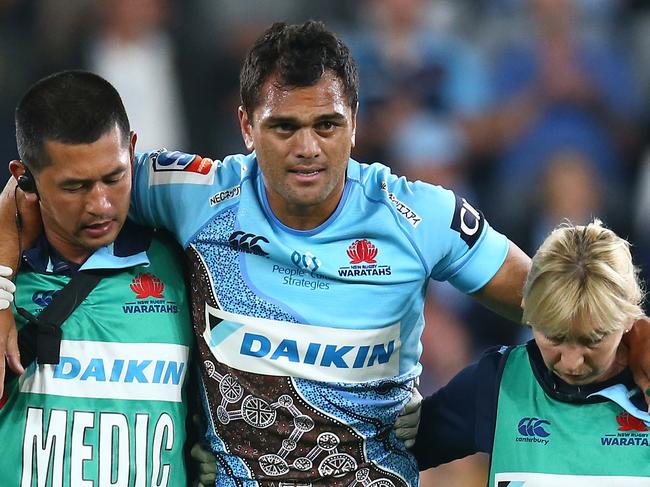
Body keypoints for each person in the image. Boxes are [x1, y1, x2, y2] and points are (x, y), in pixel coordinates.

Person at [0, 21, 649, 486]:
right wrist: (3, 295)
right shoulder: (187, 190)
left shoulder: (417, 214)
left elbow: (555, 296)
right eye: (284, 126)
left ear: (355, 124)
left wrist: (632, 336)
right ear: (247, 125)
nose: (307, 147)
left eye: (326, 124)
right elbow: (33, 189)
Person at [0, 70, 194, 485]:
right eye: (75, 187)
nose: (100, 204)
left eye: (114, 177)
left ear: (133, 150)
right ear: (25, 177)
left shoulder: (185, 266)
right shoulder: (8, 284)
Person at [413, 220, 650, 485]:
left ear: (629, 318)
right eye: (553, 337)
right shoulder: (497, 384)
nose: (571, 362)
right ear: (526, 306)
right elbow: (383, 455)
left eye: (592, 341)